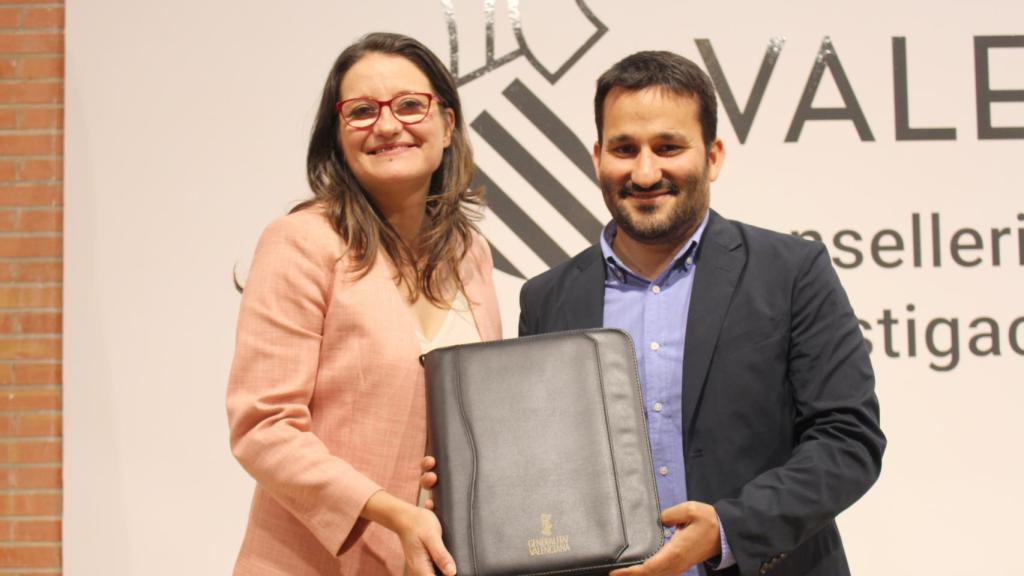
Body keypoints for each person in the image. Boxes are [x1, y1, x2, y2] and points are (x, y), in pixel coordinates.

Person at [515, 51, 885, 576]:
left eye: (668, 147)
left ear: (713, 156)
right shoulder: (546, 299)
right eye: (625, 149)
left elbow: (849, 440)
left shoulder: (792, 272)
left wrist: (730, 529)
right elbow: (542, 467)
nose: (645, 172)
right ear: (597, 156)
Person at [227, 32, 501, 575]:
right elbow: (264, 428)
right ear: (337, 138)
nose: (387, 124)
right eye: (360, 111)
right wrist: (391, 511)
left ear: (447, 125)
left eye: (409, 105)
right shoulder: (302, 242)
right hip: (315, 562)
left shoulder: (471, 253)